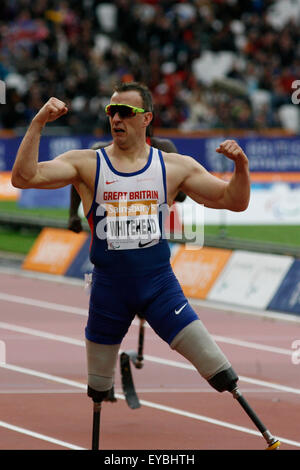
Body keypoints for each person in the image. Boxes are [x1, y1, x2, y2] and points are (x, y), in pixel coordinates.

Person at [11, 81, 254, 443]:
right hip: (109, 291)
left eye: (126, 112)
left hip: (160, 288)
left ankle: (264, 433)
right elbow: (24, 177)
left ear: (147, 119)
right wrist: (38, 123)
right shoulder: (88, 163)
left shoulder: (173, 167)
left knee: (218, 369)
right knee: (97, 388)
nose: (117, 119)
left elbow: (233, 201)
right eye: (112, 112)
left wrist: (242, 166)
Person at [68, 129, 186, 234]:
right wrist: (73, 214)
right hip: (114, 234)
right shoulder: (98, 153)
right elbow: (78, 176)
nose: (118, 119)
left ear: (145, 120)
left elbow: (181, 195)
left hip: (160, 228)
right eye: (114, 114)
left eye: (127, 115)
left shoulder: (162, 148)